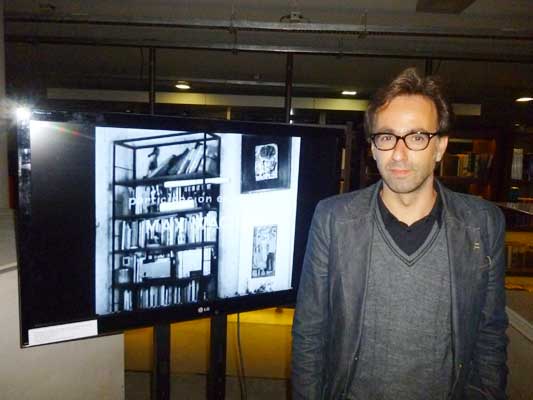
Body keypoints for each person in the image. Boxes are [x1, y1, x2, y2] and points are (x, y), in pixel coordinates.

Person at [291, 68, 508, 400]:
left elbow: (489, 335)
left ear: (440, 147)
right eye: (387, 137)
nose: (399, 153)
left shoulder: (482, 224)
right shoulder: (333, 219)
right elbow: (310, 334)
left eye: (417, 137)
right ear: (373, 148)